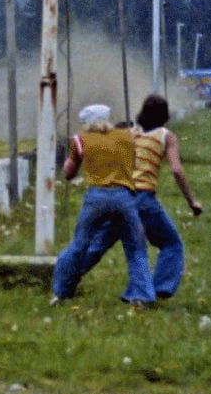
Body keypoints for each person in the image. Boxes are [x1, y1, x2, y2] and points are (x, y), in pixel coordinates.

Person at [84, 94, 203, 299]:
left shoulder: (130, 134)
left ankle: (64, 277)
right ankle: (160, 287)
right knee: (171, 244)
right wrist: (191, 201)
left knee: (97, 245)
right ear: (165, 115)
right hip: (143, 198)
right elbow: (176, 170)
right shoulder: (166, 136)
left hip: (119, 194)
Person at [51, 104, 155, 307]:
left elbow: (69, 173)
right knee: (136, 248)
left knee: (79, 245)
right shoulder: (128, 136)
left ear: (86, 123)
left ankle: (61, 291)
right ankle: (141, 296)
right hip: (124, 196)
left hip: (96, 197)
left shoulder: (80, 140)